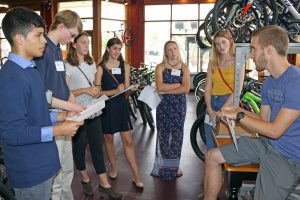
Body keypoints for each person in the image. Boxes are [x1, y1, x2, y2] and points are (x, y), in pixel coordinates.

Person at [203, 25, 300, 200]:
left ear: (268, 50)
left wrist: (239, 117)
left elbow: (275, 131)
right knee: (212, 156)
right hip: (266, 144)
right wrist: (238, 110)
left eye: (254, 49)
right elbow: (264, 120)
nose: (252, 55)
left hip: (288, 157)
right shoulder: (270, 82)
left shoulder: (296, 81)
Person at [0, 7, 83, 200]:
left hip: (44, 164)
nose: (44, 40)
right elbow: (13, 133)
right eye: (38, 35)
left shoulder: (31, 70)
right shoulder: (11, 78)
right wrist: (58, 130)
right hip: (30, 170)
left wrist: (60, 116)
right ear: (19, 39)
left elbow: (36, 113)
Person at [34, 9, 84, 200]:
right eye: (71, 35)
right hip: (52, 114)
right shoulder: (42, 50)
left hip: (64, 110)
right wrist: (69, 106)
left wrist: (71, 98)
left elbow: (60, 81)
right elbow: (41, 93)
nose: (72, 41)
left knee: (67, 168)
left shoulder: (56, 49)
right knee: (56, 172)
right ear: (61, 26)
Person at [65, 32, 122, 199]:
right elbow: (65, 92)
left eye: (88, 42)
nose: (86, 46)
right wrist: (84, 90)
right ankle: (84, 178)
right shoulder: (68, 65)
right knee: (79, 148)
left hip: (94, 110)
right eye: (83, 43)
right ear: (74, 45)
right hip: (79, 112)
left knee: (98, 148)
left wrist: (96, 91)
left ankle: (104, 184)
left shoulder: (91, 63)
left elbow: (94, 85)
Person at [94, 37, 143, 188]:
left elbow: (126, 92)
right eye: (114, 48)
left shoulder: (125, 66)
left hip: (121, 106)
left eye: (119, 49)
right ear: (108, 49)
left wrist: (130, 90)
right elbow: (97, 92)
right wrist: (115, 91)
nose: (117, 52)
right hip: (107, 107)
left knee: (128, 141)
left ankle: (137, 176)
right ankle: (114, 168)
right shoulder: (100, 67)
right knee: (108, 139)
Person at [150, 40, 190, 180]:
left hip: (179, 106)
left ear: (178, 50)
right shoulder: (160, 67)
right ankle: (164, 165)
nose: (172, 52)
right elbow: (159, 87)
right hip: (164, 106)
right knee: (163, 134)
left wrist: (167, 90)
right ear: (165, 52)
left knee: (177, 136)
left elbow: (186, 89)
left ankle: (174, 166)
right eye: (169, 49)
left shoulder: (184, 68)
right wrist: (178, 84)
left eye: (174, 48)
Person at [204, 30, 244, 150]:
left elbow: (238, 90)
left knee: (226, 143)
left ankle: (226, 168)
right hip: (212, 103)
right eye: (217, 43)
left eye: (223, 42)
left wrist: (223, 110)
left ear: (230, 42)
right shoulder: (213, 63)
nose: (221, 46)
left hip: (228, 103)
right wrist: (210, 109)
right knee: (211, 143)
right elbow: (207, 88)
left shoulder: (238, 61)